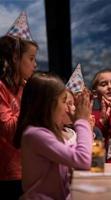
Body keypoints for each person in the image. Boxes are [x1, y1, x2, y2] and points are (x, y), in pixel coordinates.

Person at [13, 72, 93, 199]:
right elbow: (83, 159)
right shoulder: (35, 135)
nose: (67, 109)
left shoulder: (50, 132)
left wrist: (80, 124)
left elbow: (77, 153)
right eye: (63, 102)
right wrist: (82, 121)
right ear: (48, 105)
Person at [0, 11, 38, 199]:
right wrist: (31, 103)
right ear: (15, 58)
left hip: (26, 168)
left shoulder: (22, 89)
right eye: (31, 59)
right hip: (5, 173)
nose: (35, 64)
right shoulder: (1, 88)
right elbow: (8, 130)